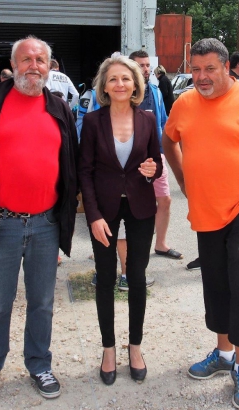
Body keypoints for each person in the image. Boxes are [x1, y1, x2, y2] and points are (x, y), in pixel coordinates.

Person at [162, 38, 239, 410]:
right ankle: (223, 354)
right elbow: (170, 143)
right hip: (205, 213)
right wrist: (185, 182)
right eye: (196, 69)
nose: (201, 77)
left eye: (209, 69)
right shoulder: (185, 102)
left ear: (225, 67)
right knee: (216, 286)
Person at [0, 36, 78, 400]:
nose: (33, 66)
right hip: (2, 221)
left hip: (46, 223)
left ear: (49, 66)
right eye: (26, 59)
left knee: (42, 302)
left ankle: (39, 364)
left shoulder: (59, 108)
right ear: (14, 64)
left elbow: (73, 164)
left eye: (40, 59)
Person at [79, 54, 162, 386]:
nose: (120, 84)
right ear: (104, 85)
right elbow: (84, 171)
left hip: (141, 205)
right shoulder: (93, 121)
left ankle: (136, 347)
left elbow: (155, 159)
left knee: (137, 277)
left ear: (136, 84)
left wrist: (152, 169)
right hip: (105, 210)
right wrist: (93, 216)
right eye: (113, 79)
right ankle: (109, 349)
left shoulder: (146, 118)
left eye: (126, 79)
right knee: (105, 279)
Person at [129, 50, 182, 262]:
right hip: (130, 159)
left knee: (165, 200)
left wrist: (164, 148)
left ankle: (160, 244)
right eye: (140, 65)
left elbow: (163, 122)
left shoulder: (155, 91)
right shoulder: (123, 92)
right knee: (127, 204)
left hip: (155, 156)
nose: (146, 69)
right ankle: (117, 245)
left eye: (147, 65)